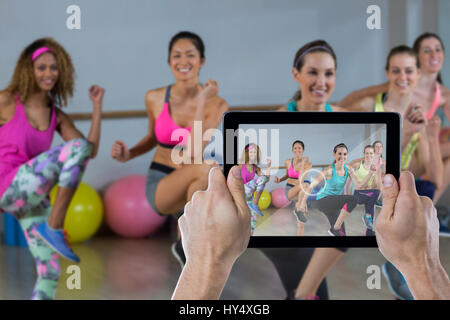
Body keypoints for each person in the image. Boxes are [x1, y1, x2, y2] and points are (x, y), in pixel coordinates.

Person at [172, 167, 450, 300]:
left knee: (336, 232)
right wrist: (423, 268)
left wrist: (205, 266)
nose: (322, 81)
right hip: (281, 227)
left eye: (329, 73)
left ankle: (304, 293)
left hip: (311, 224)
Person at [110, 31, 228, 266]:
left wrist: (203, 99)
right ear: (169, 62)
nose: (183, 61)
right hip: (162, 182)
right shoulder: (154, 97)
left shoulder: (217, 104)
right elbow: (153, 137)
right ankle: (192, 250)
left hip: (194, 181)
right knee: (205, 169)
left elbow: (194, 150)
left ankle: (189, 256)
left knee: (201, 175)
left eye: (190, 55)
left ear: (201, 61)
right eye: (176, 56)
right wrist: (129, 154)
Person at [0, 38, 104, 299]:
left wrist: (97, 107)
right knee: (76, 148)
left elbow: (88, 151)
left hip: (32, 199)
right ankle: (54, 226)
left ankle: (52, 227)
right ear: (29, 70)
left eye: (54, 68)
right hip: (8, 184)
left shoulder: (55, 114)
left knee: (50, 271)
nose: (48, 73)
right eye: (42, 67)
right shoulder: (6, 101)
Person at [296, 143, 376, 236]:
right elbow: (311, 186)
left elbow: (359, 185)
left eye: (345, 154)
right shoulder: (329, 171)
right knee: (353, 199)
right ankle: (335, 228)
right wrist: (302, 202)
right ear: (334, 154)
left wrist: (370, 173)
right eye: (339, 154)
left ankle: (335, 230)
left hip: (334, 205)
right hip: (323, 201)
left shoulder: (349, 169)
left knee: (342, 235)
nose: (342, 156)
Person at [274, 140, 312, 235]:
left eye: (299, 148)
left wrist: (303, 163)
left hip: (301, 192)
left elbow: (301, 178)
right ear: (292, 150)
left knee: (301, 222)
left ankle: (299, 209)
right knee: (306, 185)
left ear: (303, 150)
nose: (297, 150)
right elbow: (287, 175)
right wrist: (279, 180)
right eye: (295, 148)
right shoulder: (287, 162)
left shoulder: (308, 164)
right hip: (290, 190)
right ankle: (300, 207)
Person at [348, 145, 382, 233]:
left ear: (374, 154)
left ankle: (369, 234)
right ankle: (367, 215)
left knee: (370, 220)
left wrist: (379, 191)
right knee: (375, 193)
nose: (369, 155)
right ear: (364, 154)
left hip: (370, 195)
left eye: (371, 153)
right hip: (358, 195)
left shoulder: (376, 168)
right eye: (367, 153)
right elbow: (348, 166)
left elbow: (377, 184)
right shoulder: (359, 164)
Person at [239, 143, 271, 234]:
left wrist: (269, 167)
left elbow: (266, 180)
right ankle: (255, 204)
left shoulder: (256, 168)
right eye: (251, 152)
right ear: (246, 153)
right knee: (241, 222)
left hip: (249, 198)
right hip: (241, 193)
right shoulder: (240, 165)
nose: (253, 155)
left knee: (252, 224)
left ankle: (255, 204)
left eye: (255, 153)